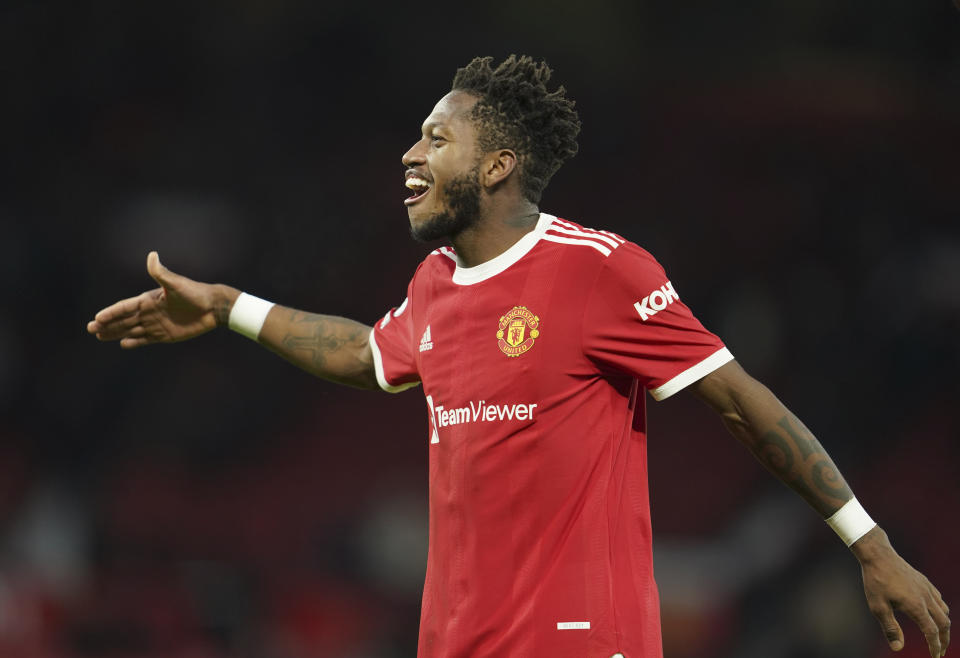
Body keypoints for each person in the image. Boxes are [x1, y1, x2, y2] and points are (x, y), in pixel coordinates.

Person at [87, 55, 950, 658]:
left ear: (497, 164)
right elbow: (362, 354)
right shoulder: (435, 283)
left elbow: (741, 401)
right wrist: (230, 307)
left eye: (435, 138)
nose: (410, 153)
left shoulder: (599, 269)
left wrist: (867, 544)